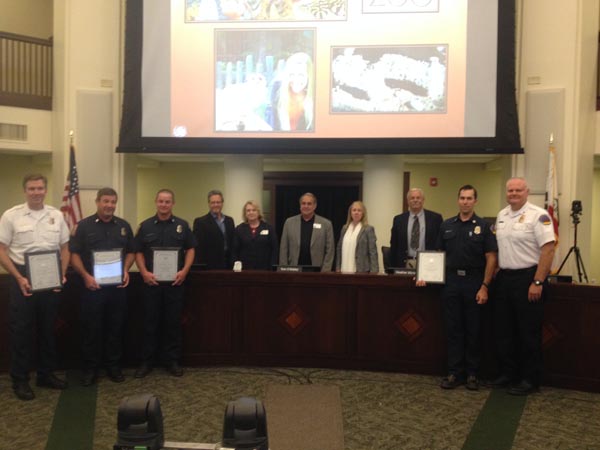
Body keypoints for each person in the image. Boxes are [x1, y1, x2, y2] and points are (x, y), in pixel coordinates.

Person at [0, 174, 70, 400]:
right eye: (32, 188)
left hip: (50, 278)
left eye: (40, 188)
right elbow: (2, 249)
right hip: (22, 277)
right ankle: (20, 380)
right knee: (22, 331)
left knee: (48, 329)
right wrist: (18, 277)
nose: (36, 192)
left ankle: (46, 374)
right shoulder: (11, 216)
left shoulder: (56, 215)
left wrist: (61, 274)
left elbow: (65, 247)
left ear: (45, 190)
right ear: (25, 191)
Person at [423, 185, 497, 390]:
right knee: (453, 329)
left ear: (475, 201)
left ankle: (473, 373)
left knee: (473, 329)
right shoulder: (447, 225)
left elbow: (491, 258)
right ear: (458, 200)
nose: (465, 201)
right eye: (462, 198)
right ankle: (454, 372)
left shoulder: (484, 226)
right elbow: (437, 255)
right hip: (451, 283)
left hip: (474, 282)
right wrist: (425, 276)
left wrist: (485, 286)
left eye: (469, 198)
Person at [487, 177, 555, 395]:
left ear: (527, 191)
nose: (513, 193)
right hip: (505, 279)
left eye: (518, 190)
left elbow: (548, 250)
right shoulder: (502, 215)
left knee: (528, 332)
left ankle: (530, 379)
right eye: (510, 190)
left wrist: (538, 281)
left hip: (528, 278)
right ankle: (509, 374)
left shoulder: (539, 216)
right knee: (504, 331)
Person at [69, 187, 135, 386]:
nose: (109, 205)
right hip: (92, 288)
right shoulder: (84, 226)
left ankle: (113, 366)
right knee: (92, 329)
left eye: (113, 202)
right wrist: (86, 276)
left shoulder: (123, 226)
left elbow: (131, 251)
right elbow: (74, 255)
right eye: (105, 201)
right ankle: (91, 369)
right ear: (97, 202)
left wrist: (125, 269)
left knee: (115, 327)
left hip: (116, 288)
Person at [133, 189, 196, 378]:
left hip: (174, 284)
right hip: (151, 284)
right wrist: (143, 272)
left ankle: (172, 361)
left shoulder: (182, 226)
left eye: (167, 201)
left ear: (173, 204)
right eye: (161, 201)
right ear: (156, 202)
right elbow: (138, 251)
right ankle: (147, 361)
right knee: (149, 323)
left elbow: (191, 249)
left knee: (173, 323)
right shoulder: (145, 226)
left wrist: (185, 271)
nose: (164, 205)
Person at [279, 192, 334, 271]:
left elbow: (330, 250)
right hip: (294, 269)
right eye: (303, 203)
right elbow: (283, 248)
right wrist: (284, 269)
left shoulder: (326, 224)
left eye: (309, 204)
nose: (306, 206)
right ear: (300, 205)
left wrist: (325, 270)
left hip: (318, 270)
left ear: (315, 206)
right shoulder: (289, 222)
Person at [390, 188, 443, 267]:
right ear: (408, 201)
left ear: (423, 200)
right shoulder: (398, 220)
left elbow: (440, 244)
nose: (415, 200)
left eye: (418, 198)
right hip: (405, 263)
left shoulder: (435, 218)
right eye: (412, 198)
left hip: (428, 263)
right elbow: (394, 245)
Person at [270, 52, 314, 131]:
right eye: (292, 74)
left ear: (309, 75)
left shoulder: (316, 95)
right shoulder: (277, 90)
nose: (296, 79)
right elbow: (274, 126)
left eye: (301, 75)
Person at [192, 189, 235, 270]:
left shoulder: (229, 221)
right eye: (213, 202)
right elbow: (198, 248)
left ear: (222, 203)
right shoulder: (200, 222)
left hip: (228, 265)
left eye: (218, 202)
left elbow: (232, 243)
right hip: (209, 266)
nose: (216, 205)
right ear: (209, 204)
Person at [231, 200, 279, 270]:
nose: (251, 212)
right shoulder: (239, 229)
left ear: (258, 212)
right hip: (244, 269)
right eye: (248, 210)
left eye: (254, 210)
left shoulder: (269, 228)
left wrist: (272, 267)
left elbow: (274, 249)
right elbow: (234, 251)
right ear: (245, 213)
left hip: (265, 269)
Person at [336, 201, 379, 273]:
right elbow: (339, 248)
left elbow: (373, 252)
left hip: (362, 270)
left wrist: (374, 271)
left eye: (359, 210)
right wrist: (338, 267)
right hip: (344, 268)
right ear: (350, 213)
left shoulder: (368, 229)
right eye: (354, 210)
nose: (356, 212)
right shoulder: (344, 228)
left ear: (363, 213)